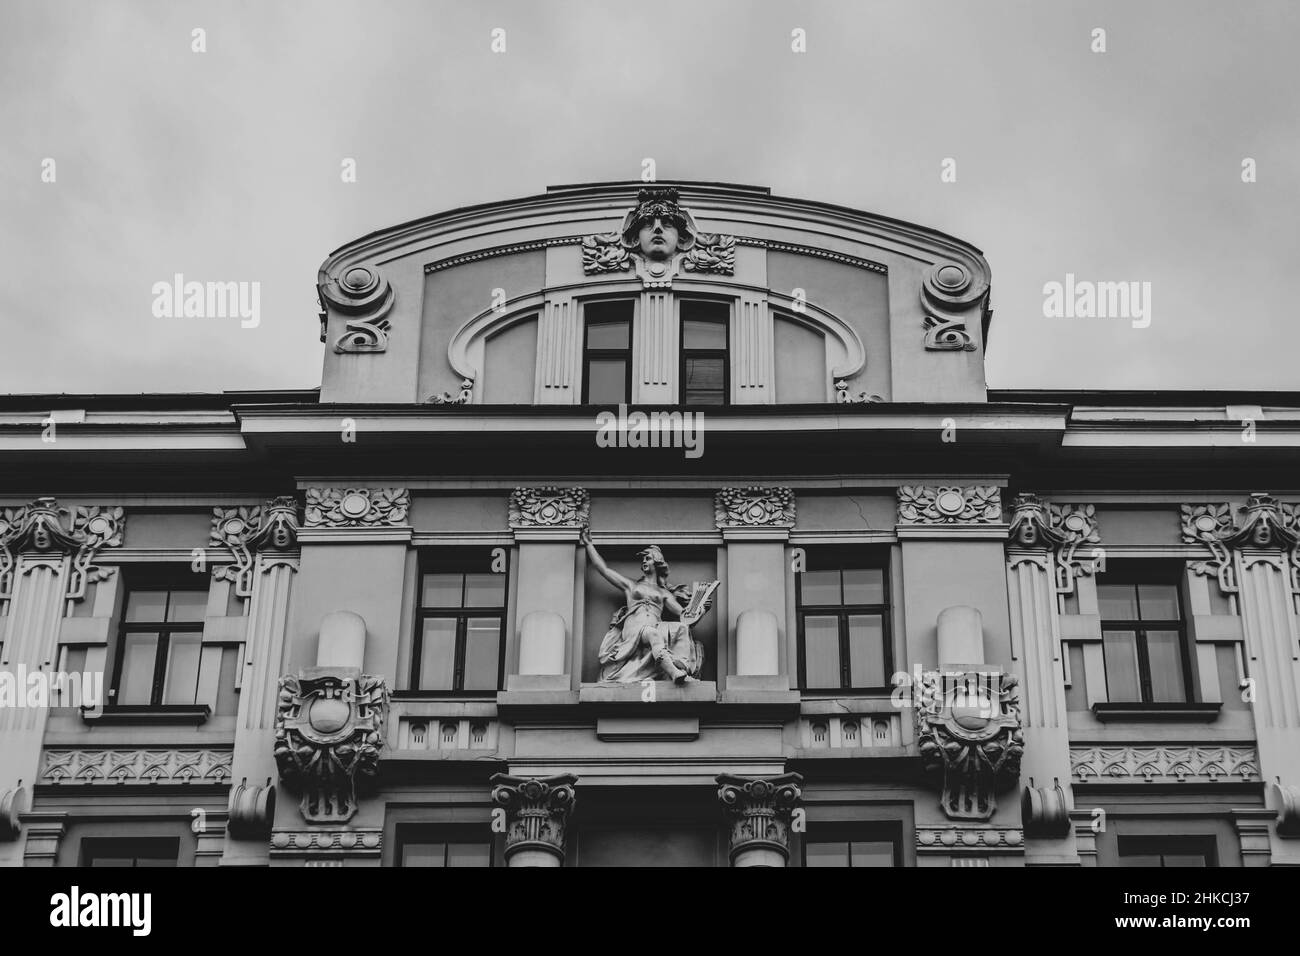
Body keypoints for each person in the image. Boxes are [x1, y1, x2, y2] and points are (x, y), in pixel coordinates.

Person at [580, 527, 705, 683]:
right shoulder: (631, 586)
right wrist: (589, 545)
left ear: (657, 563)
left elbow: (684, 617)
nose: (644, 561)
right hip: (635, 627)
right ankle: (673, 672)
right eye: (643, 559)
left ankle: (682, 668)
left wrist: (699, 607)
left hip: (654, 626)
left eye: (648, 558)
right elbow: (604, 569)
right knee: (652, 633)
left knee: (682, 628)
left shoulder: (664, 593)